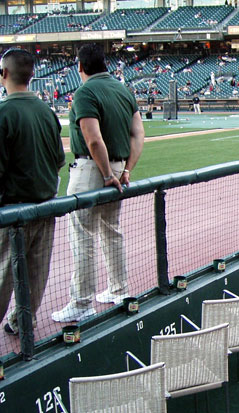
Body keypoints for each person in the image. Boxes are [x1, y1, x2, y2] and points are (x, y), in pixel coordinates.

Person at [52, 43, 144, 323]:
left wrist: (106, 174)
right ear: (105, 63)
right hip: (117, 166)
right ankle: (119, 290)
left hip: (93, 170)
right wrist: (125, 170)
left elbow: (93, 139)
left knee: (83, 236)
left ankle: (81, 302)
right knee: (111, 231)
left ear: (80, 66)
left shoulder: (85, 92)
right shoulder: (123, 90)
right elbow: (138, 135)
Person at [0, 49, 66, 336]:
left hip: (13, 210)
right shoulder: (47, 111)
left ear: (4, 74)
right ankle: (22, 321)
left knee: (4, 276)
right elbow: (59, 160)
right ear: (32, 75)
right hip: (45, 206)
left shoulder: (4, 112)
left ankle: (19, 322)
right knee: (35, 275)